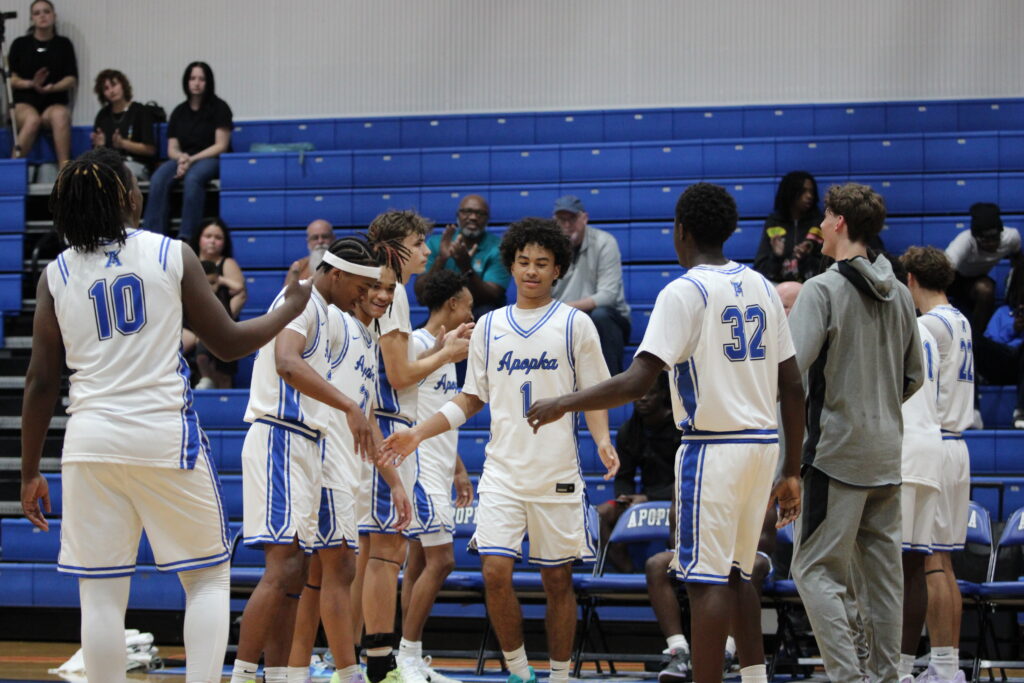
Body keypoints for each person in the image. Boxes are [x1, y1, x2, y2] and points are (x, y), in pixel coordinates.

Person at [20, 147, 312, 683]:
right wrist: (291, 308)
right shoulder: (169, 253)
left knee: (102, 593)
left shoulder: (55, 274)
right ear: (127, 197)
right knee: (206, 577)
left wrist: (30, 469)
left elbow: (40, 382)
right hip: (162, 435)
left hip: (89, 442)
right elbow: (226, 343)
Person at [525, 183, 804, 683]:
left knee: (705, 581)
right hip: (763, 446)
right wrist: (792, 469)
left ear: (681, 232)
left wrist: (563, 401)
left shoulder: (685, 291)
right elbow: (793, 386)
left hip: (713, 449)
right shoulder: (762, 286)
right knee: (741, 573)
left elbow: (637, 381)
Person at [382, 218, 618, 683]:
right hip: (503, 475)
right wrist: (417, 434)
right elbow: (470, 399)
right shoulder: (488, 326)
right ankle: (518, 671)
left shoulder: (576, 324)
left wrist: (604, 439)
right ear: (510, 264)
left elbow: (597, 392)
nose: (531, 271)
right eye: (523, 262)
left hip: (557, 475)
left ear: (558, 271)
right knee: (493, 572)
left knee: (557, 581)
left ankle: (559, 675)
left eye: (542, 264)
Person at [230, 236, 394, 683]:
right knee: (282, 569)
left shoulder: (332, 313)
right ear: (336, 274)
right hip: (280, 434)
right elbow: (286, 361)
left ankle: (282, 675)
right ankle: (242, 675)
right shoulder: (301, 297)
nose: (364, 296)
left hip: (309, 442)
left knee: (301, 570)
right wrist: (350, 406)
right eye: (360, 287)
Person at [788, 183, 923, 683]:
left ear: (840, 222)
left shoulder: (821, 290)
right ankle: (888, 678)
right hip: (887, 454)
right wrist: (878, 411)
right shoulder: (903, 295)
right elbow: (914, 377)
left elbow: (793, 379)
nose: (819, 225)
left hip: (835, 455)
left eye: (824, 217)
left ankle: (848, 677)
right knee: (884, 582)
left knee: (814, 570)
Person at [359, 210, 474, 683]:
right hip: (388, 429)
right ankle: (383, 665)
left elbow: (401, 367)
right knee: (385, 556)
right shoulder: (396, 293)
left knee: (366, 556)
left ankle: (351, 663)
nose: (428, 251)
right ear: (398, 247)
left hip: (376, 426)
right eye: (420, 243)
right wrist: (447, 354)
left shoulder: (378, 292)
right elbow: (399, 376)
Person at [287, 259, 413, 683]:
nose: (382, 295)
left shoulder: (368, 336)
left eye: (390, 289)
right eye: (374, 286)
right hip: (323, 460)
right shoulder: (332, 321)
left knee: (320, 575)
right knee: (321, 573)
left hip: (350, 466)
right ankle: (338, 670)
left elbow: (369, 417)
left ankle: (297, 670)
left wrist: (393, 480)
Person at [398, 269, 476, 683]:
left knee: (418, 563)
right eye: (467, 304)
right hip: (420, 472)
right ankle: (406, 657)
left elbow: (441, 414)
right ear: (451, 306)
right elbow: (408, 407)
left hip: (440, 468)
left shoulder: (444, 352)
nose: (470, 312)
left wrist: (459, 470)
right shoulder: (416, 344)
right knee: (442, 561)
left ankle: (410, 659)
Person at [901, 246, 974, 683]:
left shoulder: (926, 325)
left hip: (935, 442)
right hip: (956, 445)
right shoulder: (960, 319)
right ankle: (945, 664)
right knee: (942, 563)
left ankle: (940, 667)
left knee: (927, 563)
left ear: (910, 280)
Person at [878, 253, 944, 682]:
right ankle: (900, 669)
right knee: (916, 564)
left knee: (882, 567)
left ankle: (880, 667)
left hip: (900, 450)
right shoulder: (929, 334)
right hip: (931, 447)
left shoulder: (895, 326)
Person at [652, 507, 779, 682]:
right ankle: (678, 649)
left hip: (745, 551)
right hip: (704, 549)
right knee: (656, 564)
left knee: (743, 566)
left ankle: (727, 650)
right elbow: (677, 536)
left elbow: (764, 541)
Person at [596, 372, 676, 573]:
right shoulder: (629, 431)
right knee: (601, 514)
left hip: (677, 500)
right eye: (639, 393)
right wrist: (625, 497)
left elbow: (687, 482)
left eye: (651, 393)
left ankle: (677, 576)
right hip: (645, 498)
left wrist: (648, 497)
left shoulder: (680, 428)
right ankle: (629, 574)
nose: (643, 398)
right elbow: (623, 477)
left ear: (663, 394)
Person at [143, 62, 232, 240]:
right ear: (187, 81)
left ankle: (187, 237)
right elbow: (172, 148)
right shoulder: (179, 111)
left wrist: (192, 160)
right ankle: (152, 236)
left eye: (201, 79)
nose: (196, 83)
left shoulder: (220, 108)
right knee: (159, 177)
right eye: (192, 78)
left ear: (208, 82)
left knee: (194, 178)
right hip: (184, 158)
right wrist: (182, 158)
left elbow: (221, 145)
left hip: (211, 158)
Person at [551, 195, 632, 374]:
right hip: (564, 319)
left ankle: (610, 388)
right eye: (561, 220)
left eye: (571, 219)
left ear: (584, 219)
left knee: (601, 316)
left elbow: (608, 296)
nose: (566, 225)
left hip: (606, 319)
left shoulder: (604, 242)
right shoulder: (549, 248)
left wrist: (566, 308)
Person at [417, 195, 510, 319]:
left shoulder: (498, 248)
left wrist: (466, 267)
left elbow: (492, 296)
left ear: (487, 219)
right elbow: (421, 294)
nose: (473, 217)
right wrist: (442, 259)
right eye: (467, 211)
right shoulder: (436, 243)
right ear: (458, 215)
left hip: (481, 315)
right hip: (443, 314)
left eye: (480, 213)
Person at [7, 0, 77, 165]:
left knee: (60, 115)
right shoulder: (20, 44)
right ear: (32, 18)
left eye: (46, 11)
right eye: (37, 13)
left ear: (54, 15)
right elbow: (11, 79)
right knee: (32, 120)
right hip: (24, 103)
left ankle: (64, 173)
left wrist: (52, 88)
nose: (42, 16)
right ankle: (10, 171)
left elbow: (71, 79)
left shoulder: (63, 44)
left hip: (53, 102)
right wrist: (31, 84)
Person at [188, 218, 246, 389]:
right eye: (208, 236)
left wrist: (220, 321)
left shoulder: (227, 264)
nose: (212, 241)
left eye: (218, 237)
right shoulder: (188, 260)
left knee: (216, 349)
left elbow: (240, 295)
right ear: (199, 238)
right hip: (189, 323)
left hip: (220, 321)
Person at [945, 202, 1021, 332]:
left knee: (986, 290)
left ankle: (977, 338)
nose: (991, 244)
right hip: (952, 279)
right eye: (985, 240)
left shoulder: (1011, 237)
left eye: (995, 238)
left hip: (976, 280)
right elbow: (943, 271)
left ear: (1001, 233)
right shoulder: (964, 241)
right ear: (975, 237)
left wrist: (1016, 290)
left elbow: (1018, 261)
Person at [975, 260, 1024, 428]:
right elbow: (990, 344)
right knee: (972, 338)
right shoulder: (1002, 313)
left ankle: (1021, 411)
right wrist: (1013, 329)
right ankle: (972, 410)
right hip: (1002, 364)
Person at [753, 172, 824, 283]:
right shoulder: (774, 222)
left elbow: (827, 268)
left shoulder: (819, 223)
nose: (809, 196)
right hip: (779, 288)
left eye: (811, 191)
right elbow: (760, 269)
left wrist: (806, 258)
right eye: (803, 191)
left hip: (810, 287)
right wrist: (776, 257)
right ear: (790, 192)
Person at [90, 69, 156, 179]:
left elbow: (150, 150)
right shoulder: (103, 115)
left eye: (114, 85)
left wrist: (123, 144)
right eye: (106, 88)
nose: (111, 90)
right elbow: (98, 154)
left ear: (123, 85)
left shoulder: (140, 111)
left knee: (116, 173)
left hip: (137, 165)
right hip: (109, 166)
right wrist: (99, 146)